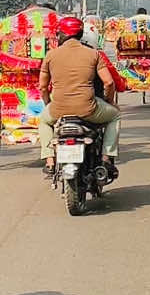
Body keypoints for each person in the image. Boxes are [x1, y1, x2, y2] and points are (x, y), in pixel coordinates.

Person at [37, 15, 121, 177]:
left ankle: (49, 160)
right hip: (88, 109)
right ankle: (105, 158)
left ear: (61, 35)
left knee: (43, 120)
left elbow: (42, 87)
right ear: (81, 34)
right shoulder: (94, 54)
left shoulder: (50, 56)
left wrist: (49, 104)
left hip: (58, 110)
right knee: (115, 116)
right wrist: (110, 102)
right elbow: (109, 83)